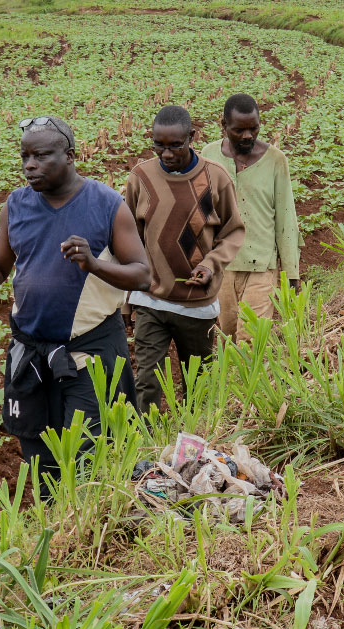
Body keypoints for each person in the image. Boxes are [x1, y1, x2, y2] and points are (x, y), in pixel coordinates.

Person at [0, 115, 152, 488]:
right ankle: (56, 529)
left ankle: (89, 535)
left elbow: (142, 274)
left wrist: (93, 264)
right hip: (31, 356)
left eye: (41, 156)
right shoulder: (15, 207)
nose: (29, 165)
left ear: (70, 155)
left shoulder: (106, 203)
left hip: (90, 353)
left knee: (88, 458)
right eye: (24, 156)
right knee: (40, 457)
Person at [122, 104, 245, 412]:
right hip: (150, 299)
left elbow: (233, 232)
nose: (166, 154)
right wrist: (125, 300)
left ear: (192, 137)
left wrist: (210, 264)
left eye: (175, 145)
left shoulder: (215, 179)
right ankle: (148, 451)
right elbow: (129, 241)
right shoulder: (140, 178)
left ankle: (194, 448)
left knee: (199, 384)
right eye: (158, 146)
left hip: (198, 305)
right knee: (147, 381)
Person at [201, 94, 300, 341]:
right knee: (226, 337)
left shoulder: (276, 160)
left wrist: (292, 273)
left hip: (261, 266)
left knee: (252, 341)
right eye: (239, 130)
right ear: (223, 125)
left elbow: (286, 220)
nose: (248, 136)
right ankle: (228, 381)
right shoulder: (208, 155)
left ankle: (253, 380)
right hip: (222, 265)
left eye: (253, 128)